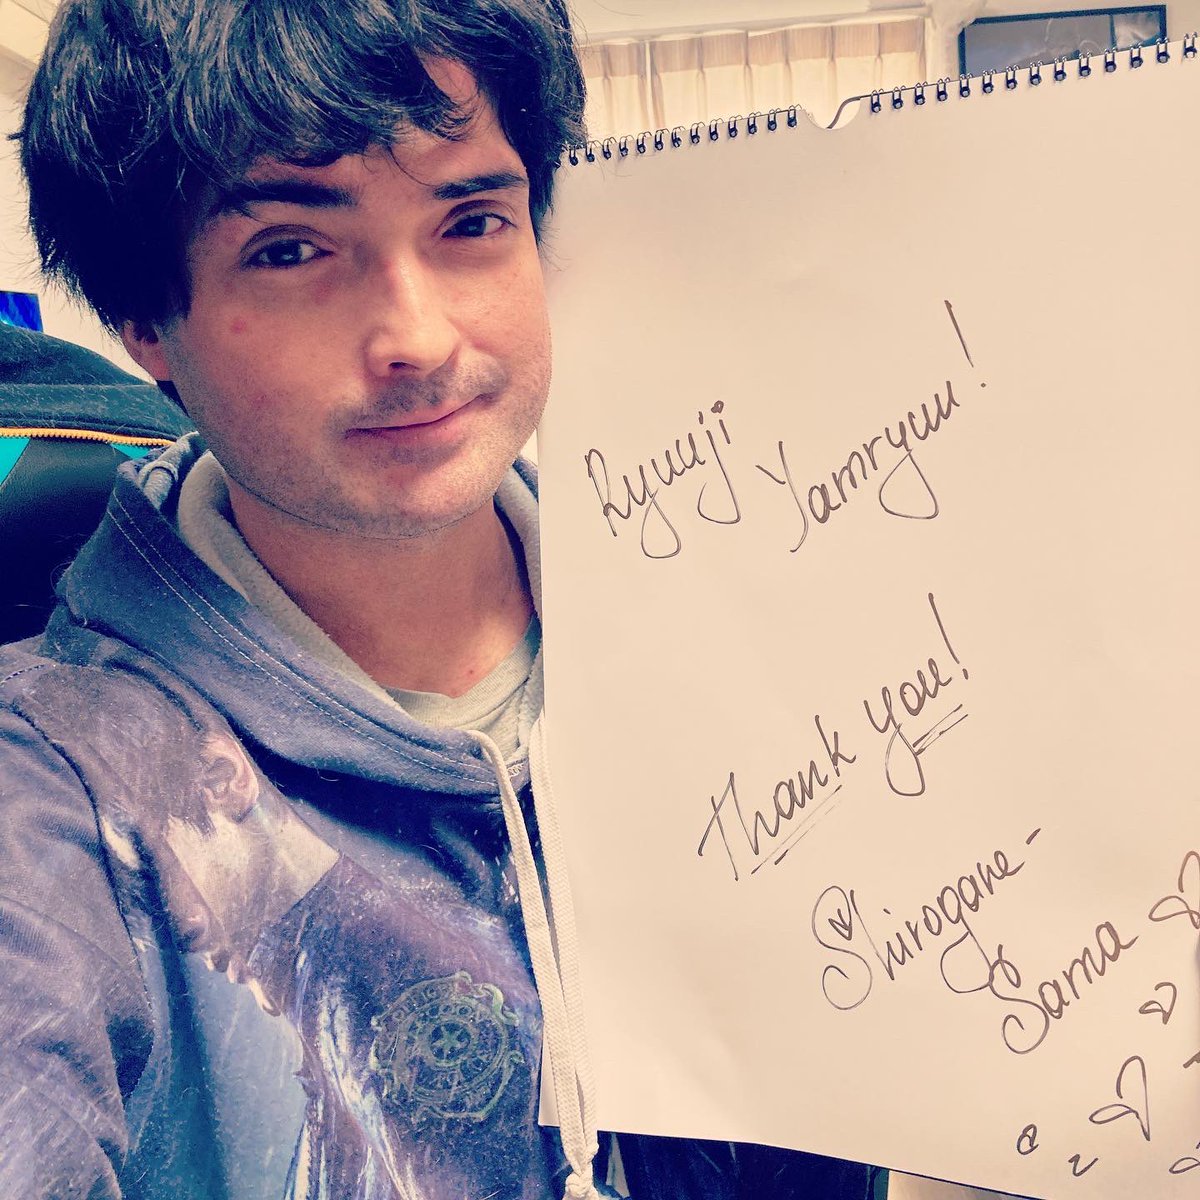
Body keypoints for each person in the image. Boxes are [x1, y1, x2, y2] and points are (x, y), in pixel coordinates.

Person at [2, 1, 881, 1196]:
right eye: (291, 250)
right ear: (144, 326)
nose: (415, 336)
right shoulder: (56, 793)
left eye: (471, 221)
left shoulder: (745, 615)